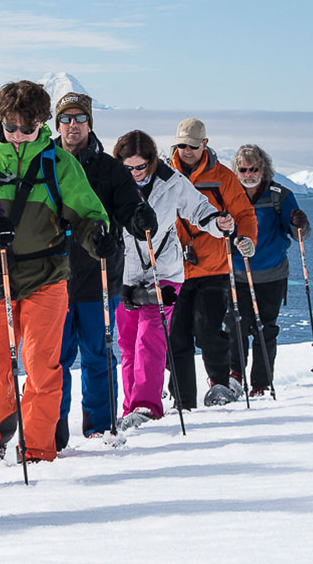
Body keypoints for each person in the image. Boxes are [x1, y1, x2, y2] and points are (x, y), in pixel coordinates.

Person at [0, 80, 112, 465]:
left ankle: (37, 448)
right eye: (11, 128)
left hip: (46, 276)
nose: (18, 137)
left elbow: (88, 213)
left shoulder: (58, 163)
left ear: (41, 125)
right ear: (0, 121)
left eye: (27, 129)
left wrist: (96, 235)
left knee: (42, 366)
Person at [50, 93, 152, 444]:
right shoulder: (44, 162)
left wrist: (138, 219)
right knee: (54, 359)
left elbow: (128, 208)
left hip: (99, 275)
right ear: (56, 124)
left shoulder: (110, 169)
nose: (72, 125)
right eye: (65, 118)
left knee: (97, 352)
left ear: (90, 123)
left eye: (79, 118)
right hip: (52, 277)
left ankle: (99, 428)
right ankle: (52, 430)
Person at [110, 130, 225, 429]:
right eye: (128, 168)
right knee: (126, 342)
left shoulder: (172, 182)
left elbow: (199, 209)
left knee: (150, 338)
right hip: (124, 274)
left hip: (164, 271)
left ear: (151, 161)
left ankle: (147, 406)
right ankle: (130, 406)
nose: (135, 173)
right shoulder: (111, 183)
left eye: (140, 167)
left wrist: (217, 223)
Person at [165, 117, 257, 408]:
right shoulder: (165, 173)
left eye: (192, 146)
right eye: (181, 146)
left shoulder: (222, 177)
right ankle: (182, 398)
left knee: (209, 331)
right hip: (175, 269)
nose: (186, 151)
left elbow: (243, 214)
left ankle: (219, 385)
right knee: (176, 335)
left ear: (204, 144)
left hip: (213, 267)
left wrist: (247, 239)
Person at [228, 144, 308, 396]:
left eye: (254, 169)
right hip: (234, 273)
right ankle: (235, 374)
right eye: (243, 169)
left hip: (271, 274)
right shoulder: (228, 195)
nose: (249, 174)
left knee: (265, 329)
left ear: (264, 168)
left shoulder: (280, 195)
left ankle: (261, 384)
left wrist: (300, 224)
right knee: (234, 327)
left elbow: (298, 235)